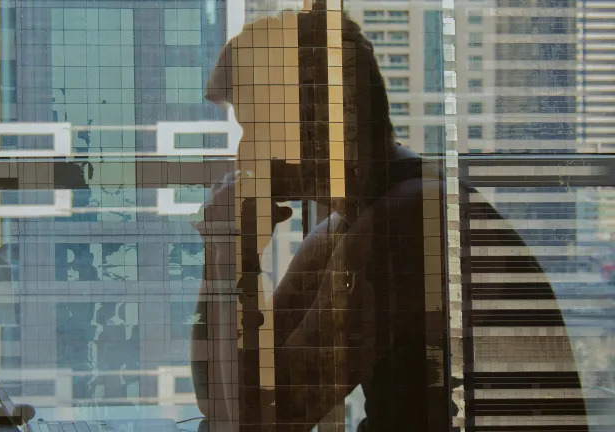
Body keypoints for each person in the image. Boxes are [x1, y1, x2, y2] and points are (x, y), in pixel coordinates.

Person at [191, 7, 584, 432]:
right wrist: (226, 256)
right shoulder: (349, 226)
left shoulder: (406, 225)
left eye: (256, 127)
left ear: (320, 117)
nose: (244, 152)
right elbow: (224, 401)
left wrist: (225, 252)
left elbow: (262, 420)